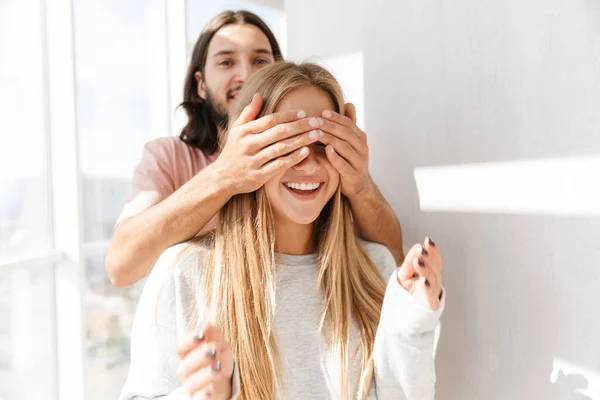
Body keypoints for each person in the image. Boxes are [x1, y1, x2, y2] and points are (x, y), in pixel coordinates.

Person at [119, 62, 445, 400]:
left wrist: (413, 325)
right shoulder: (186, 271)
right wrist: (201, 395)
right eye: (286, 143)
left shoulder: (374, 266)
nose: (307, 161)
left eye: (325, 143)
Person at [105, 10, 405, 288]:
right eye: (226, 62)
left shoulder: (315, 157)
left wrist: (360, 184)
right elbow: (121, 267)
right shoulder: (167, 158)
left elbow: (390, 257)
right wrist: (225, 175)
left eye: (260, 61)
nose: (245, 74)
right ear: (200, 84)